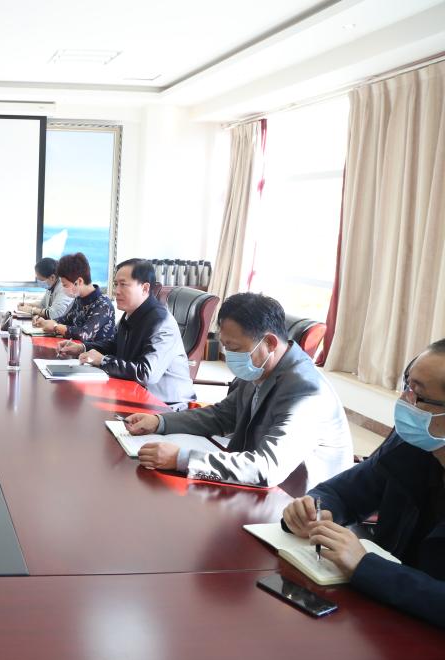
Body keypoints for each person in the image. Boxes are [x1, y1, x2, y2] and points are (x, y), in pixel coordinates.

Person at [281, 340, 445, 628]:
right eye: (406, 386)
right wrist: (315, 510)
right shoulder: (411, 444)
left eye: (418, 395)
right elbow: (341, 492)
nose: (404, 401)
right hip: (378, 614)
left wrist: (365, 566)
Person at [124, 292, 352, 488]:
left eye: (234, 347)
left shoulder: (305, 392)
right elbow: (222, 415)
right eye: (225, 346)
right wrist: (160, 422)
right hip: (250, 484)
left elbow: (267, 467)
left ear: (270, 343)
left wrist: (181, 459)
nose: (230, 356)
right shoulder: (260, 366)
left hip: (297, 503)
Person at [58, 259, 195, 410]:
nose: (116, 291)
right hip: (133, 392)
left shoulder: (161, 322)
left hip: (164, 406)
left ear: (144, 288)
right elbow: (114, 344)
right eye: (116, 284)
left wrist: (103, 360)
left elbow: (146, 373)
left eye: (123, 284)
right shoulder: (131, 313)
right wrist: (82, 347)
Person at [31, 252, 116, 344]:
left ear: (79, 281)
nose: (63, 289)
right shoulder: (79, 299)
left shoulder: (103, 305)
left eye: (65, 285)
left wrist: (55, 327)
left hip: (93, 352)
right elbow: (66, 319)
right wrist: (45, 322)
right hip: (74, 348)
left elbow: (84, 334)